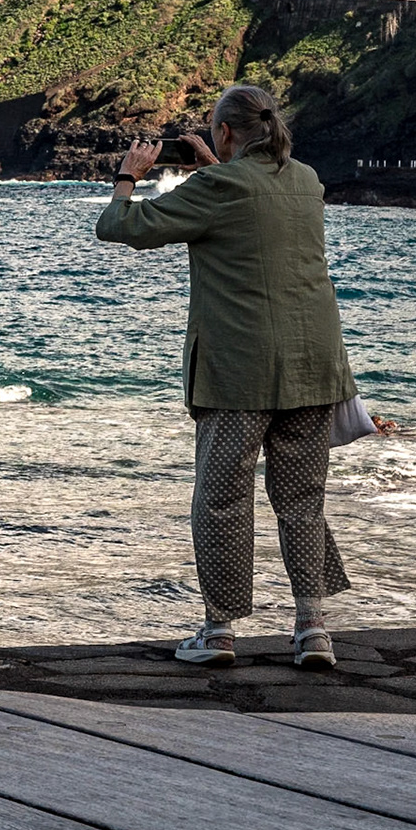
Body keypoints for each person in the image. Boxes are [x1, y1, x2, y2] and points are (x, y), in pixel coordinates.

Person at [94, 84, 356, 670]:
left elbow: (120, 228)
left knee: (221, 500)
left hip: (239, 370)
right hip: (314, 363)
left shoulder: (218, 187)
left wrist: (129, 175)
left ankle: (219, 632)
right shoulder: (306, 180)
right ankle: (312, 629)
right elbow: (251, 202)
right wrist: (216, 167)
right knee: (301, 498)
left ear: (228, 133)